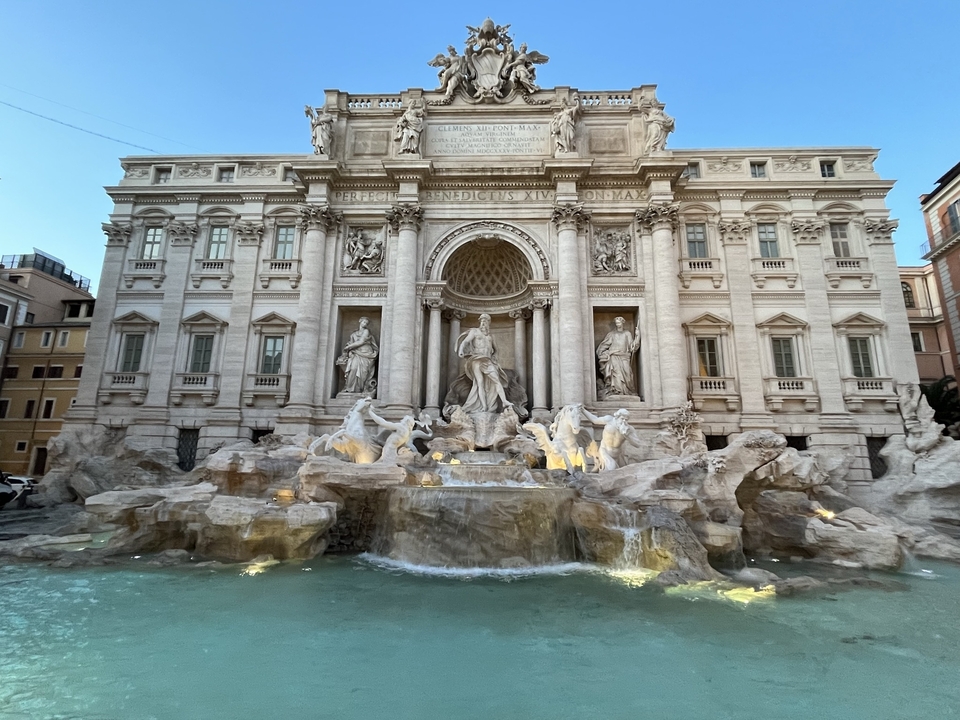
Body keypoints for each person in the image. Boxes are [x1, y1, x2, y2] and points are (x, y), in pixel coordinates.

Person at [457, 313, 511, 413]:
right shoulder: (474, 331)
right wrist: (461, 349)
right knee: (479, 383)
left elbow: (496, 349)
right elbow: (465, 341)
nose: (483, 323)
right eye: (482, 321)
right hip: (476, 359)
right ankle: (484, 406)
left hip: (487, 360)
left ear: (488, 323)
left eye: (485, 321)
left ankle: (504, 401)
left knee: (496, 380)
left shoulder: (491, 336)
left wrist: (495, 357)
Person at [581, 407, 638, 471]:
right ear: (617, 417)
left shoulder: (629, 429)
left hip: (619, 455)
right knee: (611, 469)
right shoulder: (609, 420)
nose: (624, 421)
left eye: (626, 420)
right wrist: (583, 410)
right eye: (622, 419)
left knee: (623, 472)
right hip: (605, 451)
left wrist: (627, 435)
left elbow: (637, 444)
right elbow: (595, 420)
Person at [596, 317, 640, 397]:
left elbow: (632, 347)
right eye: (616, 323)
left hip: (624, 357)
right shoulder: (611, 334)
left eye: (619, 323)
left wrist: (637, 336)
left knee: (627, 374)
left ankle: (627, 391)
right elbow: (604, 345)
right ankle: (615, 391)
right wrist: (603, 353)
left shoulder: (627, 333)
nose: (618, 325)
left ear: (623, 323)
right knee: (616, 374)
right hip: (614, 356)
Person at [338, 317, 379, 394]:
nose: (365, 324)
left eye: (366, 323)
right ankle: (349, 388)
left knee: (363, 372)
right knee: (353, 369)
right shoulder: (353, 334)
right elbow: (350, 343)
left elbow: (361, 342)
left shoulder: (366, 331)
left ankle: (359, 389)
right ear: (360, 321)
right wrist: (349, 349)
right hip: (356, 353)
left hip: (366, 353)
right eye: (364, 322)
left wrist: (348, 347)